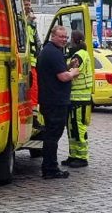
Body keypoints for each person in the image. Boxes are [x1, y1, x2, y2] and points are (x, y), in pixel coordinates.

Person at [37, 25, 79, 179]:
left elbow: (56, 71)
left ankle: (49, 166)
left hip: (50, 100)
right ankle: (50, 169)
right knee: (52, 136)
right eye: (61, 36)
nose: (64, 40)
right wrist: (73, 72)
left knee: (51, 135)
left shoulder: (50, 51)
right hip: (55, 101)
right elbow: (63, 77)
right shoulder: (53, 53)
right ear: (53, 36)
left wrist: (67, 67)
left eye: (65, 37)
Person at [62, 30, 94, 168]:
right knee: (71, 127)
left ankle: (81, 157)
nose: (69, 41)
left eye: (70, 38)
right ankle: (73, 155)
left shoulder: (79, 55)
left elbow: (73, 72)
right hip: (76, 98)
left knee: (78, 128)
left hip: (80, 98)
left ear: (75, 40)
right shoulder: (80, 53)